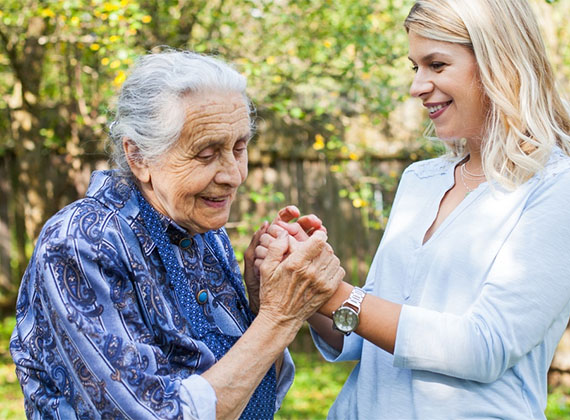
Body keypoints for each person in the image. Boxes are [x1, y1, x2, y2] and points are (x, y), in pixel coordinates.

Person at [255, 0, 570, 418]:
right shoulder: (420, 180)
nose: (417, 86)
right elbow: (363, 335)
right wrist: (305, 282)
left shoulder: (554, 186)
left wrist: (334, 292)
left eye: (436, 65)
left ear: (501, 63)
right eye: (415, 67)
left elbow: (484, 347)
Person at [9, 50, 345, 420]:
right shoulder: (81, 242)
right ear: (138, 157)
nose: (233, 175)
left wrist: (259, 302)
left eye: (239, 148)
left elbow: (234, 387)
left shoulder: (197, 228)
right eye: (206, 153)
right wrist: (279, 318)